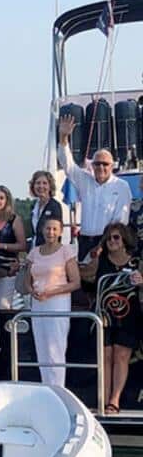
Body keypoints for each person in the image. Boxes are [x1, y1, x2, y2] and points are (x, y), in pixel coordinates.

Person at [58, 115, 131, 261]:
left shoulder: (121, 186)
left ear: (112, 166)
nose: (101, 167)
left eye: (105, 164)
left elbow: (120, 221)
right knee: (86, 281)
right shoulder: (85, 180)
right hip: (85, 241)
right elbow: (68, 165)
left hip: (110, 242)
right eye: (97, 163)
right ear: (92, 165)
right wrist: (63, 137)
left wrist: (103, 245)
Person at [24, 217, 81, 387]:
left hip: (57, 301)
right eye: (48, 229)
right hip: (38, 302)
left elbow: (75, 282)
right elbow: (27, 278)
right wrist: (31, 290)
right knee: (41, 346)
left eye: (55, 229)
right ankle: (46, 387)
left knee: (55, 347)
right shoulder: (34, 252)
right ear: (43, 230)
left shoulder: (66, 251)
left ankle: (58, 388)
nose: (51, 232)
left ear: (60, 232)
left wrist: (52, 292)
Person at [94, 222, 143, 413]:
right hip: (105, 316)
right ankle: (103, 400)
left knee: (121, 356)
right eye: (108, 238)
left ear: (124, 240)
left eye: (116, 237)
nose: (112, 241)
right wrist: (92, 261)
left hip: (130, 315)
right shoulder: (101, 260)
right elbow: (86, 279)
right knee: (105, 357)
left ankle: (114, 400)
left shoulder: (137, 261)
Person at [0, 186, 27, 309]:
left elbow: (22, 245)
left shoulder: (14, 220)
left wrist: (0, 246)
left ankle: (4, 327)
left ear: (7, 200)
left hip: (7, 270)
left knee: (3, 306)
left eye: (1, 198)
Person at [29, 170, 63, 248]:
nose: (41, 186)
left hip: (48, 251)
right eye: (38, 183)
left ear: (50, 186)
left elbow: (56, 234)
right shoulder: (33, 206)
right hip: (34, 250)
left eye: (44, 183)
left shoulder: (55, 206)